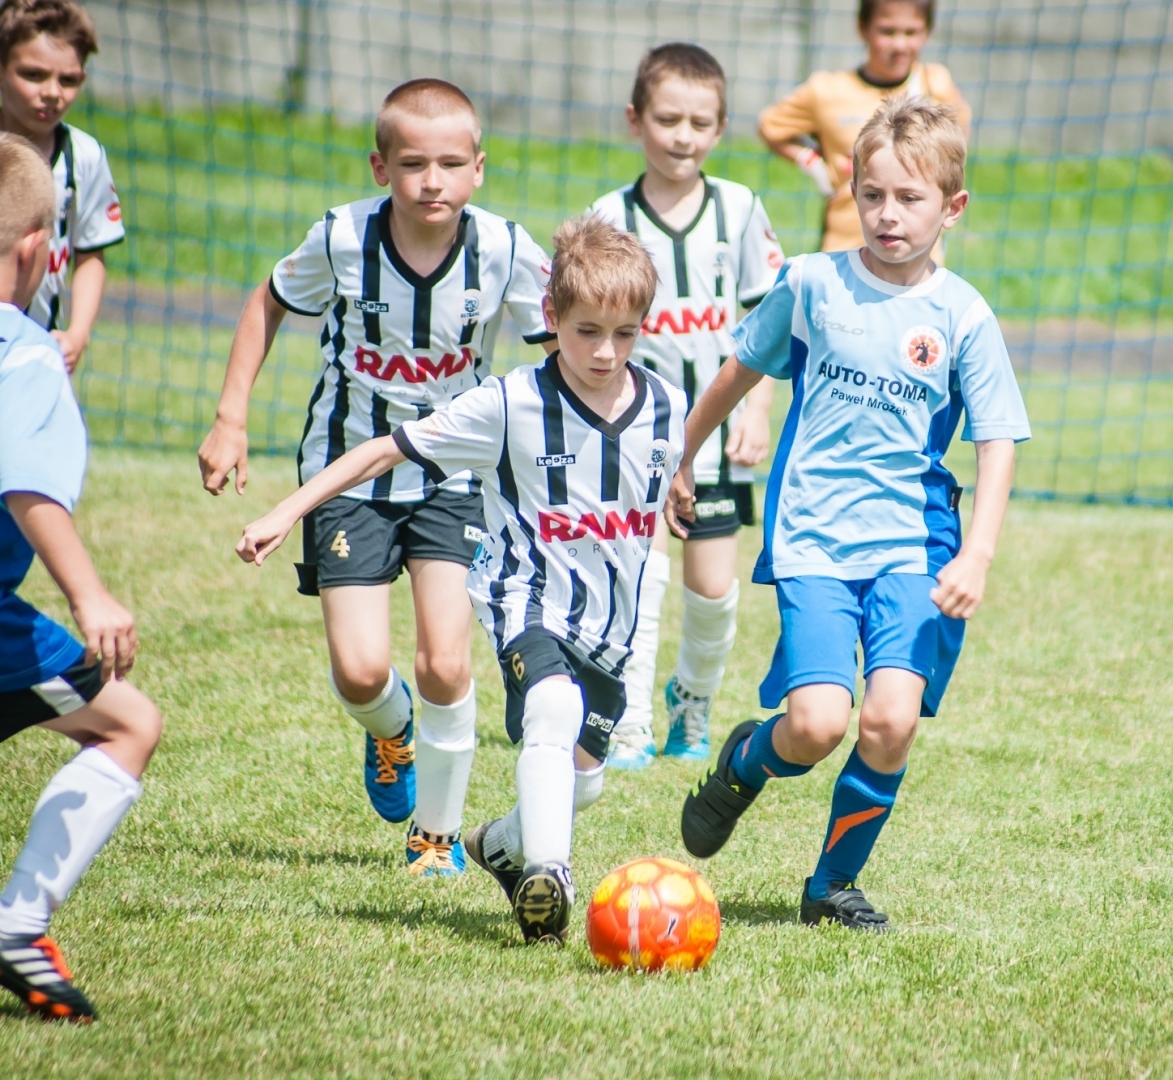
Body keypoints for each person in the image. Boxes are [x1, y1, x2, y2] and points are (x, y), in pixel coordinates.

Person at [236, 215, 680, 944]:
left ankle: (500, 846)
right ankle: (550, 875)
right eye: (587, 331)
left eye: (625, 334)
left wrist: (681, 493)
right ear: (551, 318)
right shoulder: (508, 403)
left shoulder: (666, 404)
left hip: (610, 627)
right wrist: (288, 510)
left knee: (585, 779)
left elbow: (658, 480)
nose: (606, 352)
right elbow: (383, 449)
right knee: (550, 710)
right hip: (526, 603)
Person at [672, 98, 1028, 930]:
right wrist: (684, 456)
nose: (888, 215)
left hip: (915, 541)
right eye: (873, 196)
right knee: (817, 723)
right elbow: (737, 371)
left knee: (890, 719)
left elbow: (998, 440)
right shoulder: (811, 283)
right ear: (852, 191)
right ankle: (745, 766)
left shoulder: (963, 315)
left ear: (953, 208)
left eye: (910, 199)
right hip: (813, 538)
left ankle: (831, 886)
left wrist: (976, 555)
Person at [197, 79, 553, 877]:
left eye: (452, 163)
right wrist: (231, 415)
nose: (434, 180)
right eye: (414, 163)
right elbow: (269, 301)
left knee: (446, 663)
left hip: (451, 477)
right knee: (361, 672)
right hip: (344, 472)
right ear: (380, 165)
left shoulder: (503, 249)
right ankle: (392, 733)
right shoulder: (340, 237)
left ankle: (436, 837)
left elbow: (561, 347)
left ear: (479, 168)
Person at [0, 132, 161, 1023]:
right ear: (37, 250)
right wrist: (89, 594)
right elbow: (27, 482)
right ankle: (18, 924)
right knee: (129, 721)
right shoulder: (23, 353)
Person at [589, 43, 784, 770]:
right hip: (630, 435)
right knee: (635, 582)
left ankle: (691, 703)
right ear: (635, 120)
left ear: (721, 128)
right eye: (667, 118)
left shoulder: (740, 209)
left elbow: (768, 321)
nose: (683, 135)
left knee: (713, 590)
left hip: (717, 440)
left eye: (700, 122)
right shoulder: (609, 215)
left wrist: (758, 409)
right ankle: (627, 721)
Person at [758, 0, 969, 256]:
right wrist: (813, 163)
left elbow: (958, 146)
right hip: (845, 248)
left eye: (911, 32)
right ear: (863, 28)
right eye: (887, 31)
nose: (899, 45)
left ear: (927, 31)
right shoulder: (826, 91)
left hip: (917, 258)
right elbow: (770, 126)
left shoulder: (935, 84)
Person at [0, 0, 123, 369]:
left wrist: (78, 333)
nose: (52, 92)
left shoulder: (84, 157)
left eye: (67, 80)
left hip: (36, 353)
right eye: (34, 74)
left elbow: (91, 253)